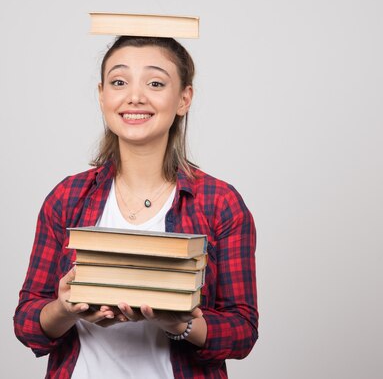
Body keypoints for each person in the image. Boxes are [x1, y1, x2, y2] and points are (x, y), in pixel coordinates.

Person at [14, 35, 258, 378]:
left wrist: (181, 324)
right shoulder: (67, 198)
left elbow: (243, 331)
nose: (135, 97)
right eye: (119, 82)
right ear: (102, 96)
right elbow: (27, 323)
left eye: (155, 83)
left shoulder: (220, 203)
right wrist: (64, 309)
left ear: (184, 98)